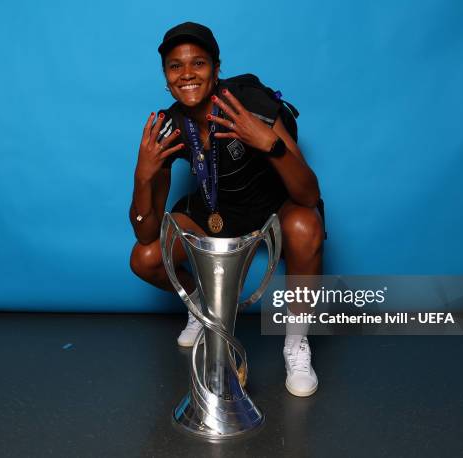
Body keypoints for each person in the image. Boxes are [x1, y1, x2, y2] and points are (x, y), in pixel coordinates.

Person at [129, 22, 324, 397]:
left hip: (270, 212)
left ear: (217, 69)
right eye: (175, 66)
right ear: (166, 77)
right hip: (214, 217)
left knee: (306, 227)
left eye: (198, 63)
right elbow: (145, 233)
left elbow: (309, 193)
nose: (187, 74)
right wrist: (142, 175)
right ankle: (200, 309)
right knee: (145, 258)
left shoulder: (250, 103)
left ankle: (296, 344)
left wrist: (270, 143)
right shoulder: (169, 125)